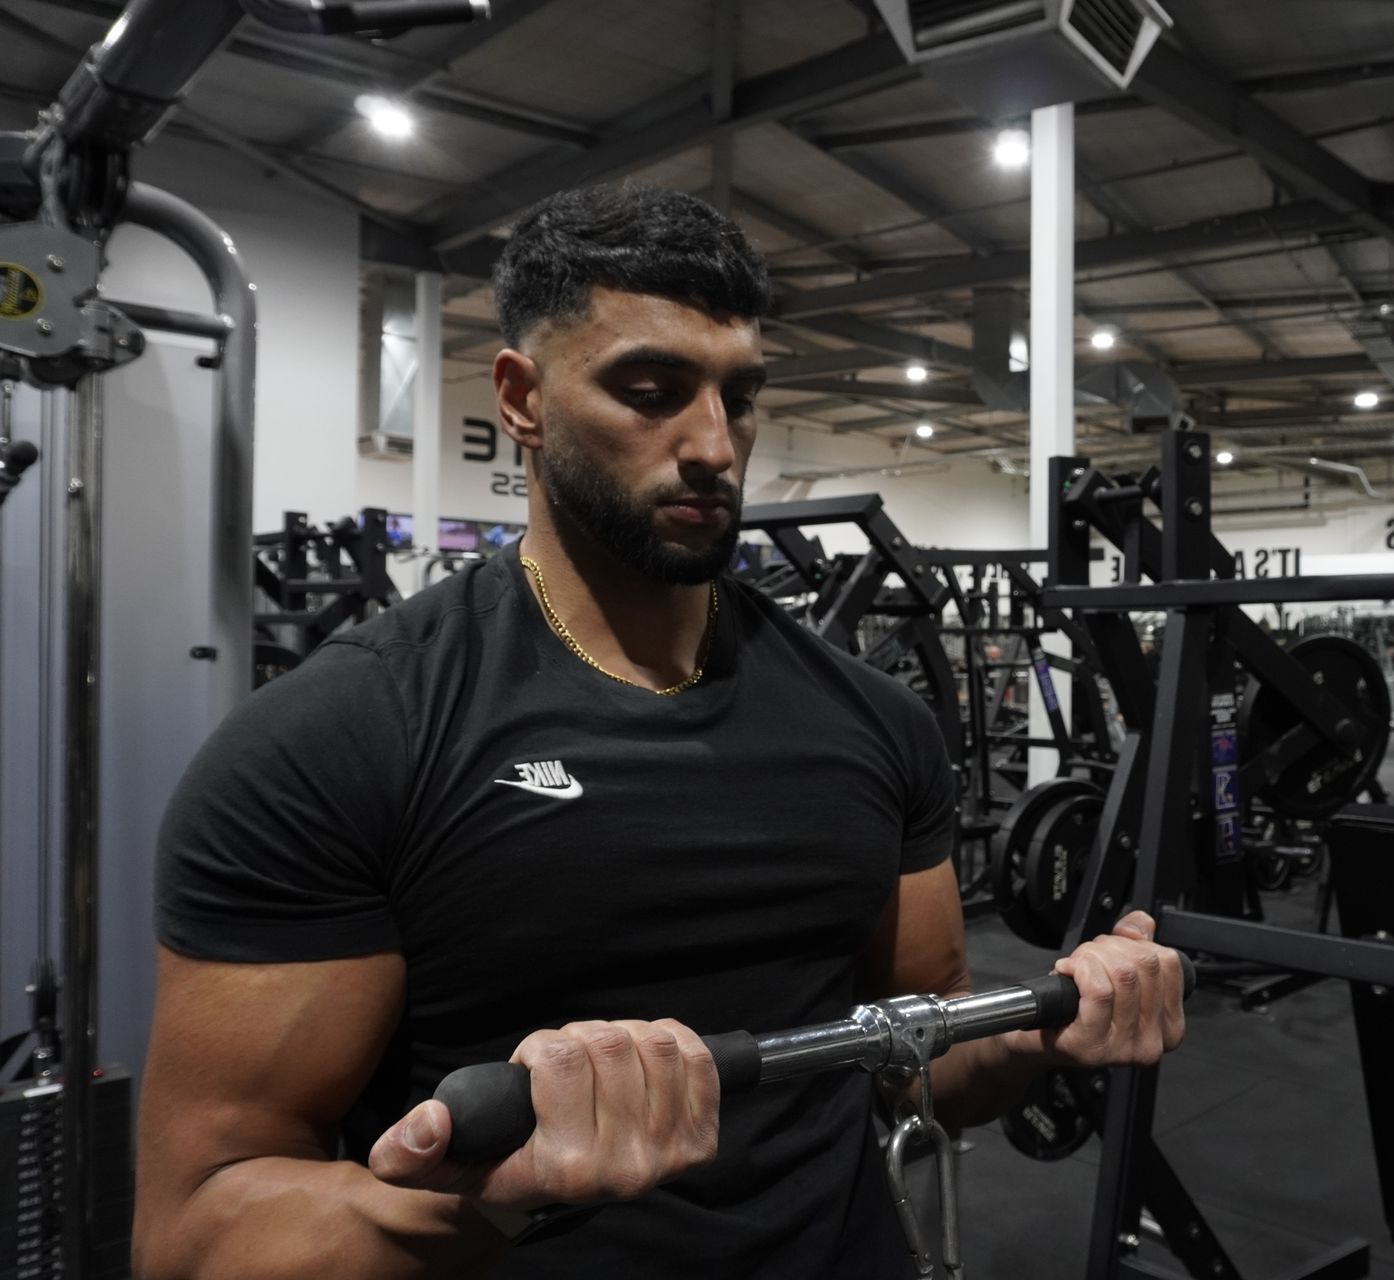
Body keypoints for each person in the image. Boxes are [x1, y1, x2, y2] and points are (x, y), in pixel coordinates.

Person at [131, 182, 1186, 1279]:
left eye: (740, 395)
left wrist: (1046, 1020)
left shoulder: (875, 719)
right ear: (522, 398)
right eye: (650, 390)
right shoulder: (340, 737)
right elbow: (198, 1230)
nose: (714, 445)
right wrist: (498, 1198)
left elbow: (917, 1057)